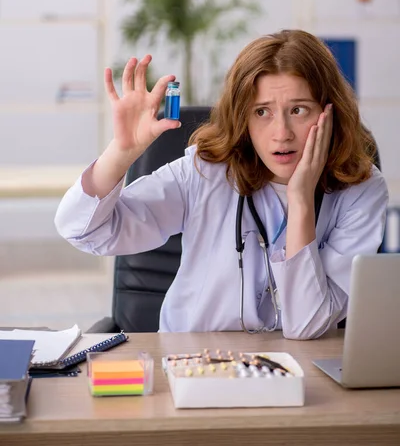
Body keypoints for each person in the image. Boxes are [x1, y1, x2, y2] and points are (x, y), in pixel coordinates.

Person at [55, 29, 388, 339]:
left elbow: (307, 325)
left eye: (298, 110)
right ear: (242, 117)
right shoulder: (206, 171)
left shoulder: (361, 190)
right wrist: (121, 152)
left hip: (297, 376)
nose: (281, 132)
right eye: (262, 112)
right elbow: (82, 231)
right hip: (191, 365)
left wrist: (301, 199)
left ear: (330, 113)